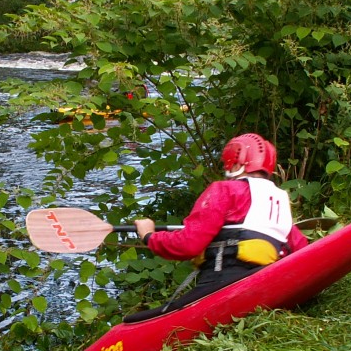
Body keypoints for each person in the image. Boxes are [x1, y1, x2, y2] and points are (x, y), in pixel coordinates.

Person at [129, 133, 309, 322]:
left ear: (237, 164)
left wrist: (149, 235)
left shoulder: (224, 190)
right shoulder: (280, 199)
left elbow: (187, 245)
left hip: (222, 283)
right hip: (265, 284)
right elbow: (301, 250)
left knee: (136, 319)